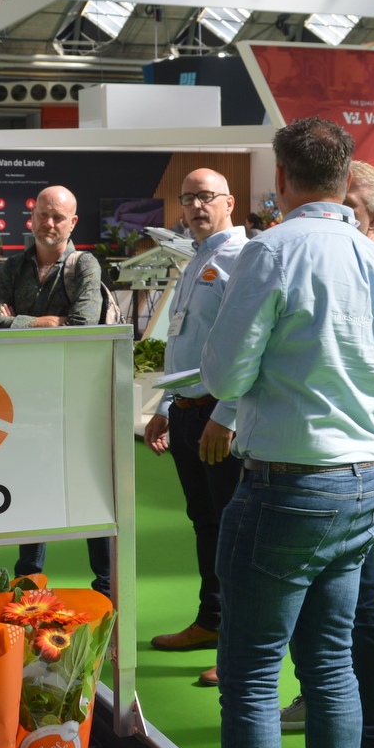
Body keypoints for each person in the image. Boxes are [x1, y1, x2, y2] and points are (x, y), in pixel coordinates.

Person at [202, 118, 374, 748]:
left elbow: (225, 375)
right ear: (345, 179)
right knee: (330, 667)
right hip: (360, 484)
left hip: (286, 486)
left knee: (252, 674)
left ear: (281, 178)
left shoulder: (272, 250)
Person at [278, 159, 374, 748]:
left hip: (354, 471)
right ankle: (319, 700)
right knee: (317, 604)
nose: (333, 215)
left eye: (348, 207)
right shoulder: (330, 264)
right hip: (313, 468)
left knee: (362, 608)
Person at [143, 169, 246, 684]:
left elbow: (246, 346)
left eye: (206, 196)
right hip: (186, 411)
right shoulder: (195, 259)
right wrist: (165, 404)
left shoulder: (242, 259)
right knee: (205, 523)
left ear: (230, 202)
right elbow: (183, 344)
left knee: (232, 529)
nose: (197, 206)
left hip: (216, 416)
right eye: (188, 199)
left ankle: (239, 648)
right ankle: (212, 620)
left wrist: (226, 413)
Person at [0, 185, 109, 591]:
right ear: (32, 217)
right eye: (43, 214)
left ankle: (107, 590)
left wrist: (18, 320)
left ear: (73, 223)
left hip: (77, 399)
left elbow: (83, 326)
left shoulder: (84, 265)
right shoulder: (13, 267)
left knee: (89, 487)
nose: (49, 223)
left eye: (58, 217)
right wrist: (44, 321)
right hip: (25, 400)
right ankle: (27, 584)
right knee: (29, 486)